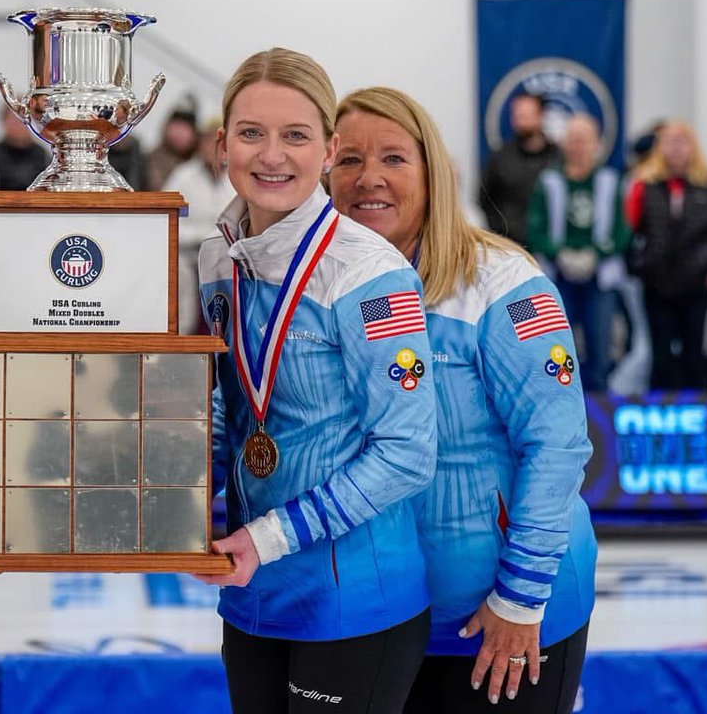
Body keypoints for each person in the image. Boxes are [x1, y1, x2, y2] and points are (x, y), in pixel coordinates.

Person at [329, 86, 595, 714]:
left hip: (502, 614)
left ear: (433, 174)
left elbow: (557, 446)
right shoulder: (318, 289)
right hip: (378, 616)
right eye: (349, 159)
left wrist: (521, 597)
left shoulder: (505, 284)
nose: (369, 178)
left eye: (394, 158)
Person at [195, 49, 437, 714]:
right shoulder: (218, 256)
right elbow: (236, 404)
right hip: (250, 589)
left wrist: (269, 537)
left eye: (296, 135)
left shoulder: (369, 273)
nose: (272, 155)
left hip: (352, 601)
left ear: (328, 150)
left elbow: (408, 452)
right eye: (251, 133)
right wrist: (168, 492)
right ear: (222, 144)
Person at [527, 114, 628, 392]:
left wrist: (596, 254)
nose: (578, 147)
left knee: (601, 349)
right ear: (564, 144)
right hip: (558, 278)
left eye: (584, 140)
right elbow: (535, 230)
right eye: (573, 140)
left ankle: (599, 409)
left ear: (596, 144)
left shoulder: (610, 181)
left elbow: (622, 230)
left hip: (601, 278)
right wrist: (560, 254)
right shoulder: (548, 181)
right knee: (557, 349)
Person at [625, 120, 707, 391]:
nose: (676, 149)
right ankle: (661, 407)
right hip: (656, 283)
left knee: (694, 351)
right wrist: (638, 267)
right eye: (670, 142)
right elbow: (630, 230)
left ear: (693, 147)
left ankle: (696, 406)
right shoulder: (644, 184)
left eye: (682, 142)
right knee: (660, 354)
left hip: (696, 283)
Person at [162, 117, 234, 334]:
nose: (215, 148)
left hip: (228, 256)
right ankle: (181, 337)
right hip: (189, 256)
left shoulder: (238, 178)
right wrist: (204, 235)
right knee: (178, 272)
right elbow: (166, 224)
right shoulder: (183, 177)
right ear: (200, 143)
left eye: (221, 143)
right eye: (209, 141)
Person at [479, 93, 560, 247]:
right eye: (517, 116)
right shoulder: (499, 159)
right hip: (510, 245)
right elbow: (484, 200)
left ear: (541, 116)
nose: (521, 122)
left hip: (551, 247)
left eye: (527, 116)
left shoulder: (558, 158)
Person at [143, 95, 199, 191]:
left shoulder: (198, 166)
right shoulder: (147, 161)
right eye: (177, 123)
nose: (180, 131)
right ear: (166, 126)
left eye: (186, 126)